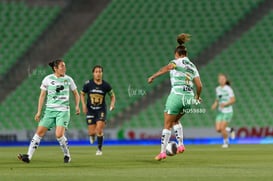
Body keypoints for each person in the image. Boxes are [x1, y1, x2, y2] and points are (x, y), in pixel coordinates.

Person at [147, 33, 202, 161]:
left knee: (167, 124)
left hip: (177, 94)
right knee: (175, 121)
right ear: (186, 55)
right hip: (188, 97)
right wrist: (197, 97)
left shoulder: (176, 62)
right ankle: (181, 144)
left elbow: (168, 68)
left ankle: (162, 152)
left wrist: (153, 76)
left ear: (177, 54)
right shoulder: (193, 66)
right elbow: (199, 86)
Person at [18, 59, 80, 163]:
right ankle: (28, 156)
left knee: (59, 135)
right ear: (55, 68)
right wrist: (39, 111)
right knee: (39, 133)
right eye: (62, 66)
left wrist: (77, 106)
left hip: (63, 111)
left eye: (64, 66)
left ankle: (67, 155)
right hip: (49, 111)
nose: (64, 68)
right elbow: (42, 95)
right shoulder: (47, 79)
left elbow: (76, 94)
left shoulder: (68, 79)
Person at [80, 65, 115, 156]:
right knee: (92, 132)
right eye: (96, 72)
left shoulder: (106, 85)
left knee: (99, 129)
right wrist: (83, 105)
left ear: (102, 73)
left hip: (101, 109)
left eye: (100, 72)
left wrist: (112, 104)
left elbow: (112, 96)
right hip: (90, 110)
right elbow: (82, 94)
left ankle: (99, 149)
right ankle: (92, 135)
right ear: (93, 73)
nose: (98, 73)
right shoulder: (88, 84)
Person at [211, 73, 236, 148]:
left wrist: (225, 104)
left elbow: (233, 100)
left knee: (222, 128)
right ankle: (230, 130)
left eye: (223, 79)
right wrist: (215, 104)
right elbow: (218, 98)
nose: (221, 80)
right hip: (220, 111)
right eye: (220, 79)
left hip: (228, 111)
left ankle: (226, 142)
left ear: (225, 80)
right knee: (218, 129)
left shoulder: (228, 89)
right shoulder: (217, 89)